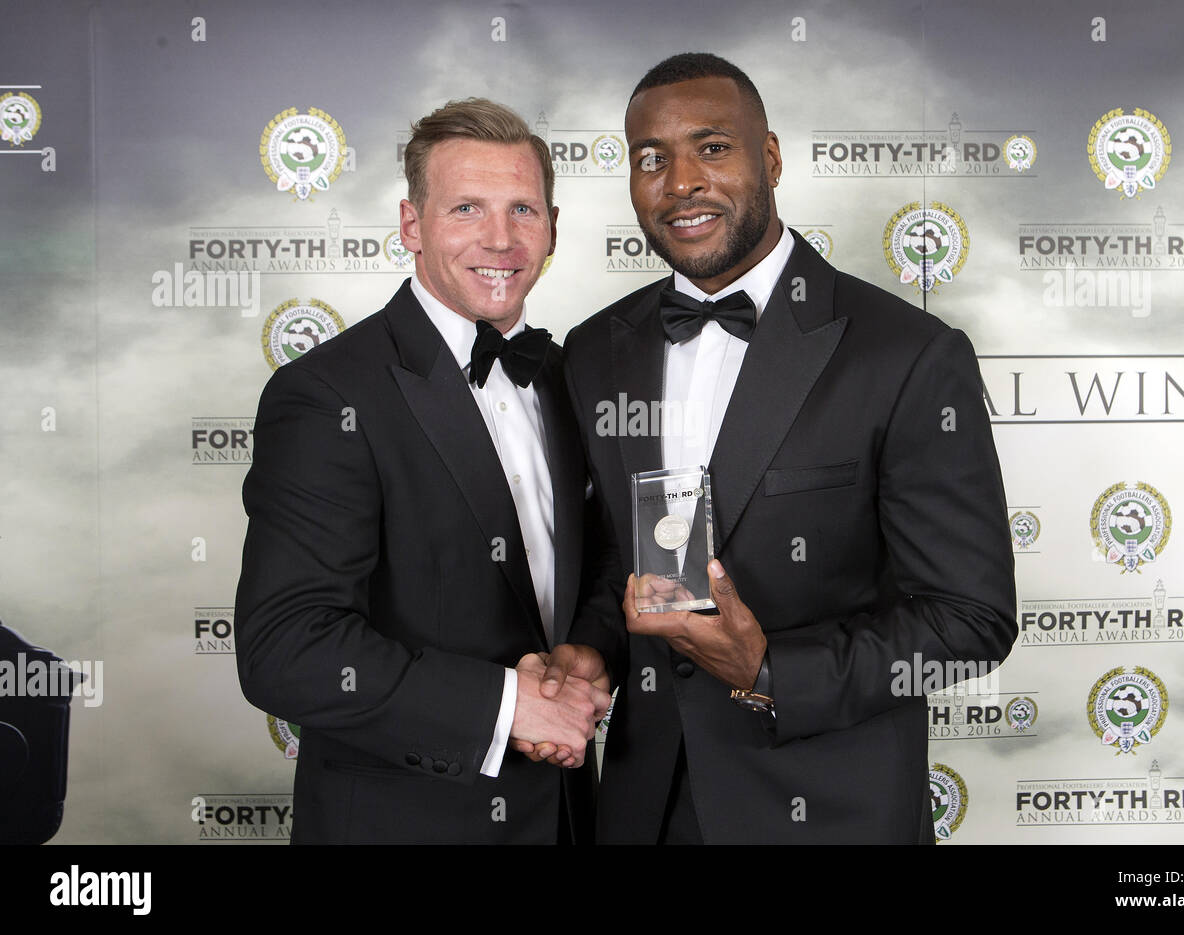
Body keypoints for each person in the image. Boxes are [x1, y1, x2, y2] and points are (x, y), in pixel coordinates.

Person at [526, 53, 1017, 843]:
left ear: (773, 159)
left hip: (829, 812)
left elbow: (971, 618)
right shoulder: (593, 351)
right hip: (643, 807)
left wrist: (769, 672)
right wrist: (594, 648)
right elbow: (627, 553)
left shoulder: (906, 354)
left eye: (712, 147)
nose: (680, 180)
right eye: (651, 158)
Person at [234, 98, 609, 844]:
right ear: (412, 225)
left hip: (567, 819)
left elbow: (595, 568)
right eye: (466, 207)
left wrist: (589, 651)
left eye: (523, 210)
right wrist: (508, 705)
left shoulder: (574, 379)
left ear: (554, 229)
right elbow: (287, 646)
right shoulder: (328, 394)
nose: (500, 239)